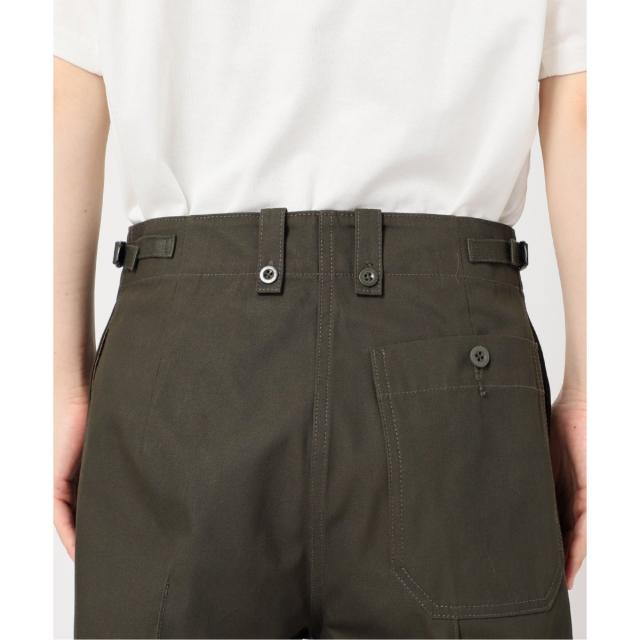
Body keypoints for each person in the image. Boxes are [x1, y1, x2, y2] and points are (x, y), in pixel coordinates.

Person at [54, 1, 586, 638]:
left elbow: (65, 92)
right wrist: (589, 397)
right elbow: (581, 102)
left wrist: (64, 389)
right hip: (450, 354)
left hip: (186, 357)